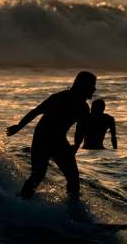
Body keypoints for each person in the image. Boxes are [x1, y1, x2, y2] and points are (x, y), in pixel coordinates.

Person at [7, 71, 96, 201]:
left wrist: (76, 146)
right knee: (38, 175)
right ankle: (22, 201)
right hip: (42, 138)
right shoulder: (59, 97)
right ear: (83, 85)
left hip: (59, 140)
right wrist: (18, 127)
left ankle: (74, 209)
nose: (94, 89)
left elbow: (80, 130)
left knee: (73, 177)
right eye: (92, 85)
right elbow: (36, 111)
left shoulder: (83, 107)